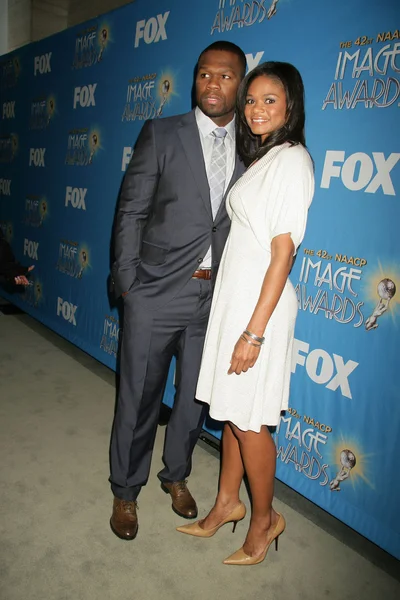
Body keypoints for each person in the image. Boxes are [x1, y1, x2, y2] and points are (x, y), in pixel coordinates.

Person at [176, 61, 314, 566]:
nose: (256, 109)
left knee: (251, 423)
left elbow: (283, 254)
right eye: (251, 100)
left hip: (262, 312)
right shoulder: (265, 158)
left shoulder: (293, 161)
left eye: (269, 100)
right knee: (232, 416)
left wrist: (253, 334)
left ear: (290, 106)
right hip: (237, 305)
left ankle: (264, 519)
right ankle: (227, 503)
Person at [109, 41, 247, 540]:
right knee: (138, 398)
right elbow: (131, 212)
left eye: (225, 76)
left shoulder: (252, 146)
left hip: (215, 300)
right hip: (156, 293)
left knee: (193, 399)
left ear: (241, 83)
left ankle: (177, 476)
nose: (213, 84)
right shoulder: (162, 133)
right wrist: (129, 285)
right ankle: (125, 491)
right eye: (204, 74)